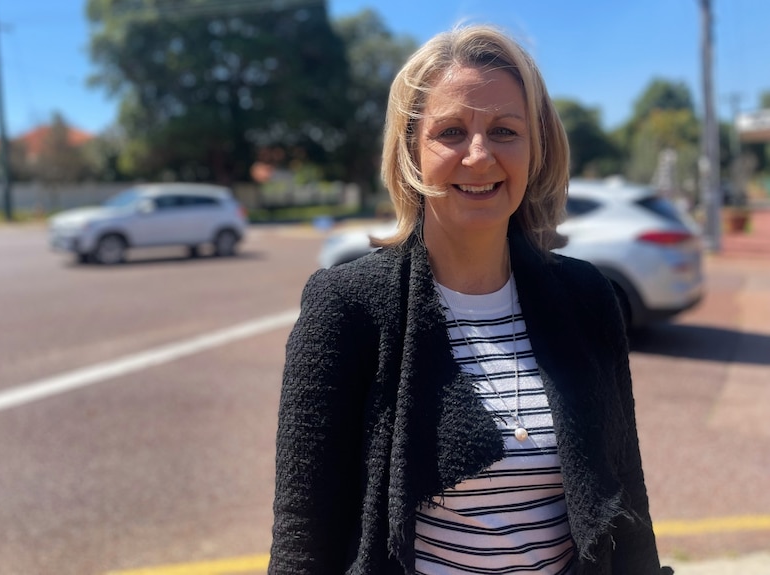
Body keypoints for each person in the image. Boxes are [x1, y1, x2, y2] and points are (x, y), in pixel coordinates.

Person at [269, 24, 672, 575]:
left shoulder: (586, 298)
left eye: (505, 131)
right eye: (452, 131)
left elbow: (627, 499)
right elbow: (302, 542)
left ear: (537, 148)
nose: (479, 156)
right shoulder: (346, 307)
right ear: (411, 148)